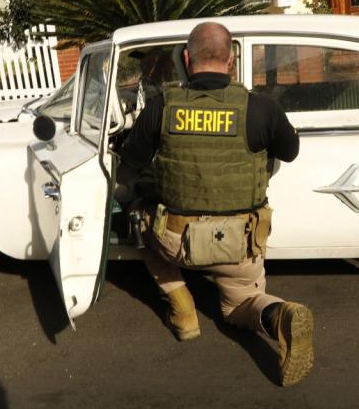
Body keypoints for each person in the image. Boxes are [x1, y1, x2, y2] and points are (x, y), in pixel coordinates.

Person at [119, 22, 311, 387]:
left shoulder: (162, 106)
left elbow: (132, 160)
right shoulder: (261, 108)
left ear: (187, 59)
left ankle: (184, 311)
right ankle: (280, 315)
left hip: (175, 242)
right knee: (241, 306)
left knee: (138, 217)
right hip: (240, 244)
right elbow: (290, 151)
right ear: (232, 61)